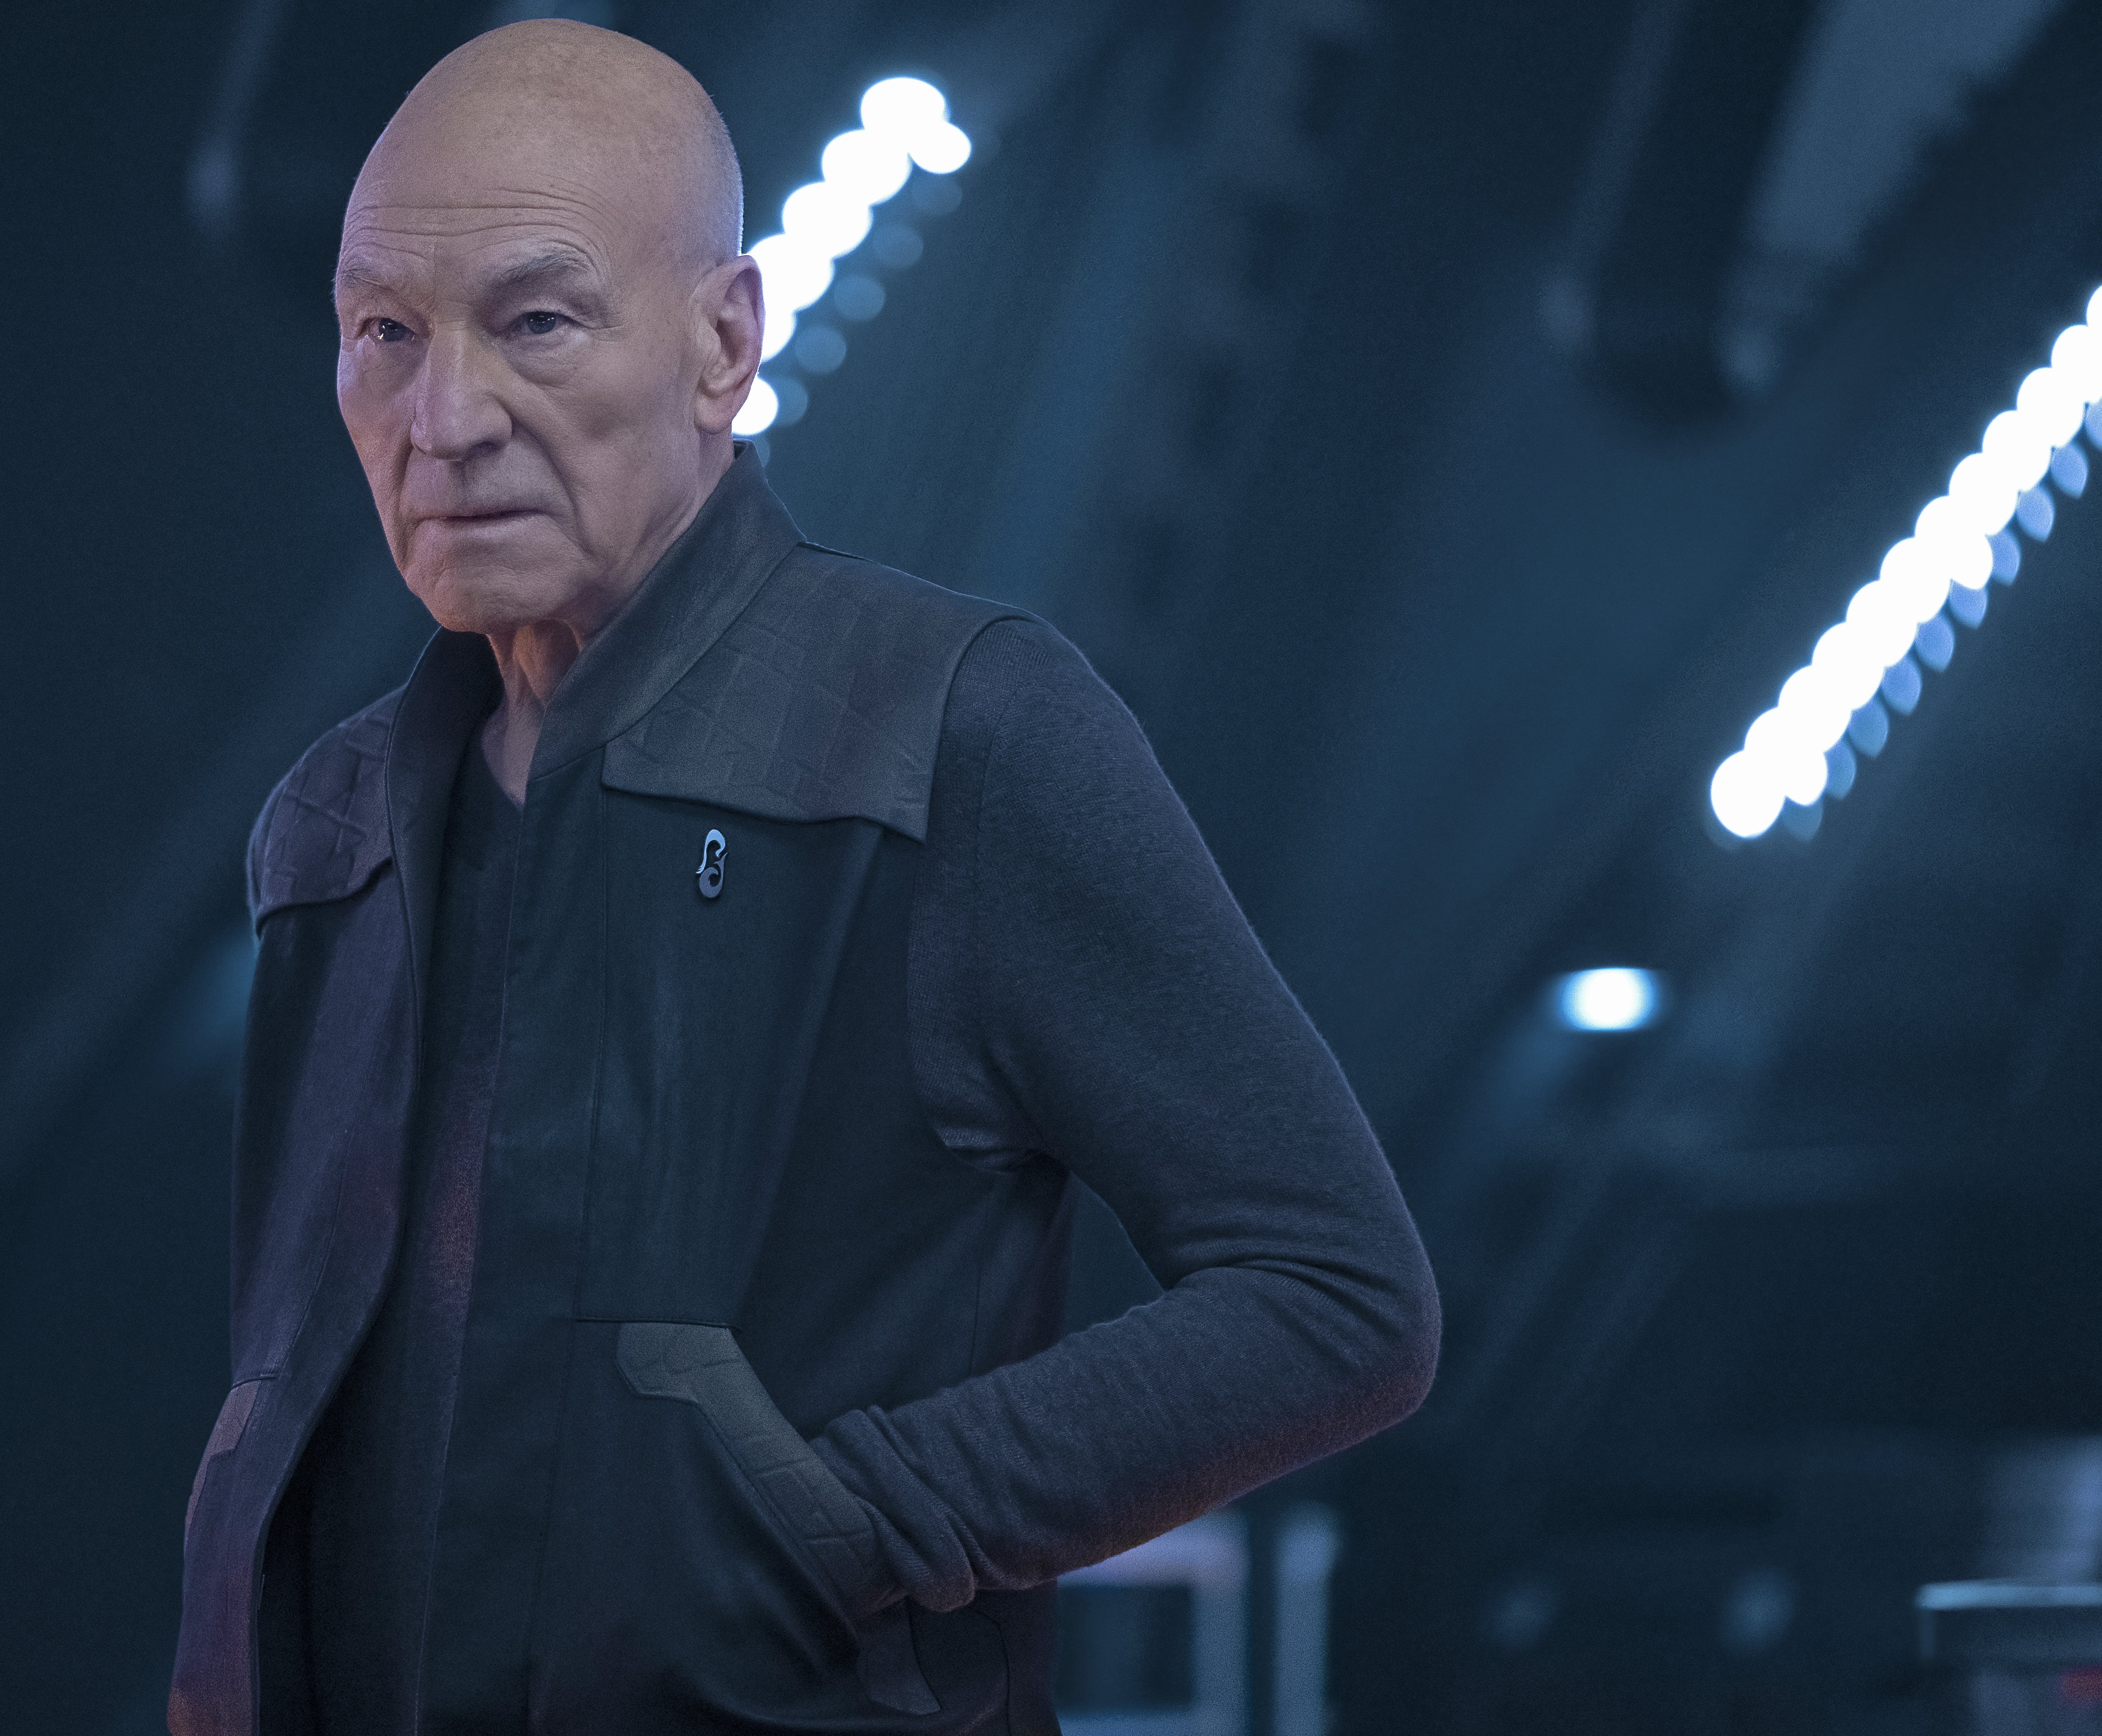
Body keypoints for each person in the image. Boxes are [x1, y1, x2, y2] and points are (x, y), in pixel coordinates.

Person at [168, 19, 1437, 1735]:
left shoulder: (959, 733)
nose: (442, 419)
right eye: (384, 333)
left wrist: (836, 1528)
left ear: (725, 344)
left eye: (537, 322)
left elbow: (1338, 1296)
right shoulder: (329, 830)